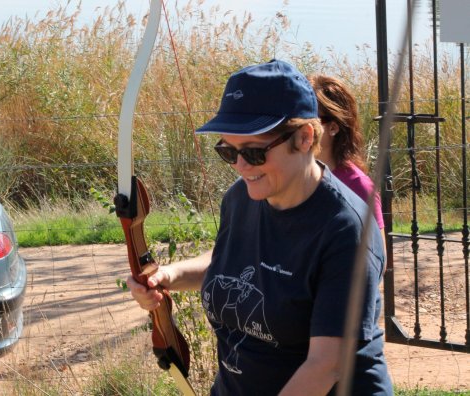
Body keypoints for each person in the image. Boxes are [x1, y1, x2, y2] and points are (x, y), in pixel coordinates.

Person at [127, 59, 392, 395]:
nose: (239, 166)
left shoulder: (347, 229)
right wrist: (169, 276)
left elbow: (327, 364)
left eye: (253, 153)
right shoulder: (241, 197)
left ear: (305, 138)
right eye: (227, 151)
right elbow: (232, 264)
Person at [309, 74, 385, 235]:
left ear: (333, 127)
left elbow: (377, 256)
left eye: (310, 121)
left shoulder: (359, 187)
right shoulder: (290, 178)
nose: (300, 129)